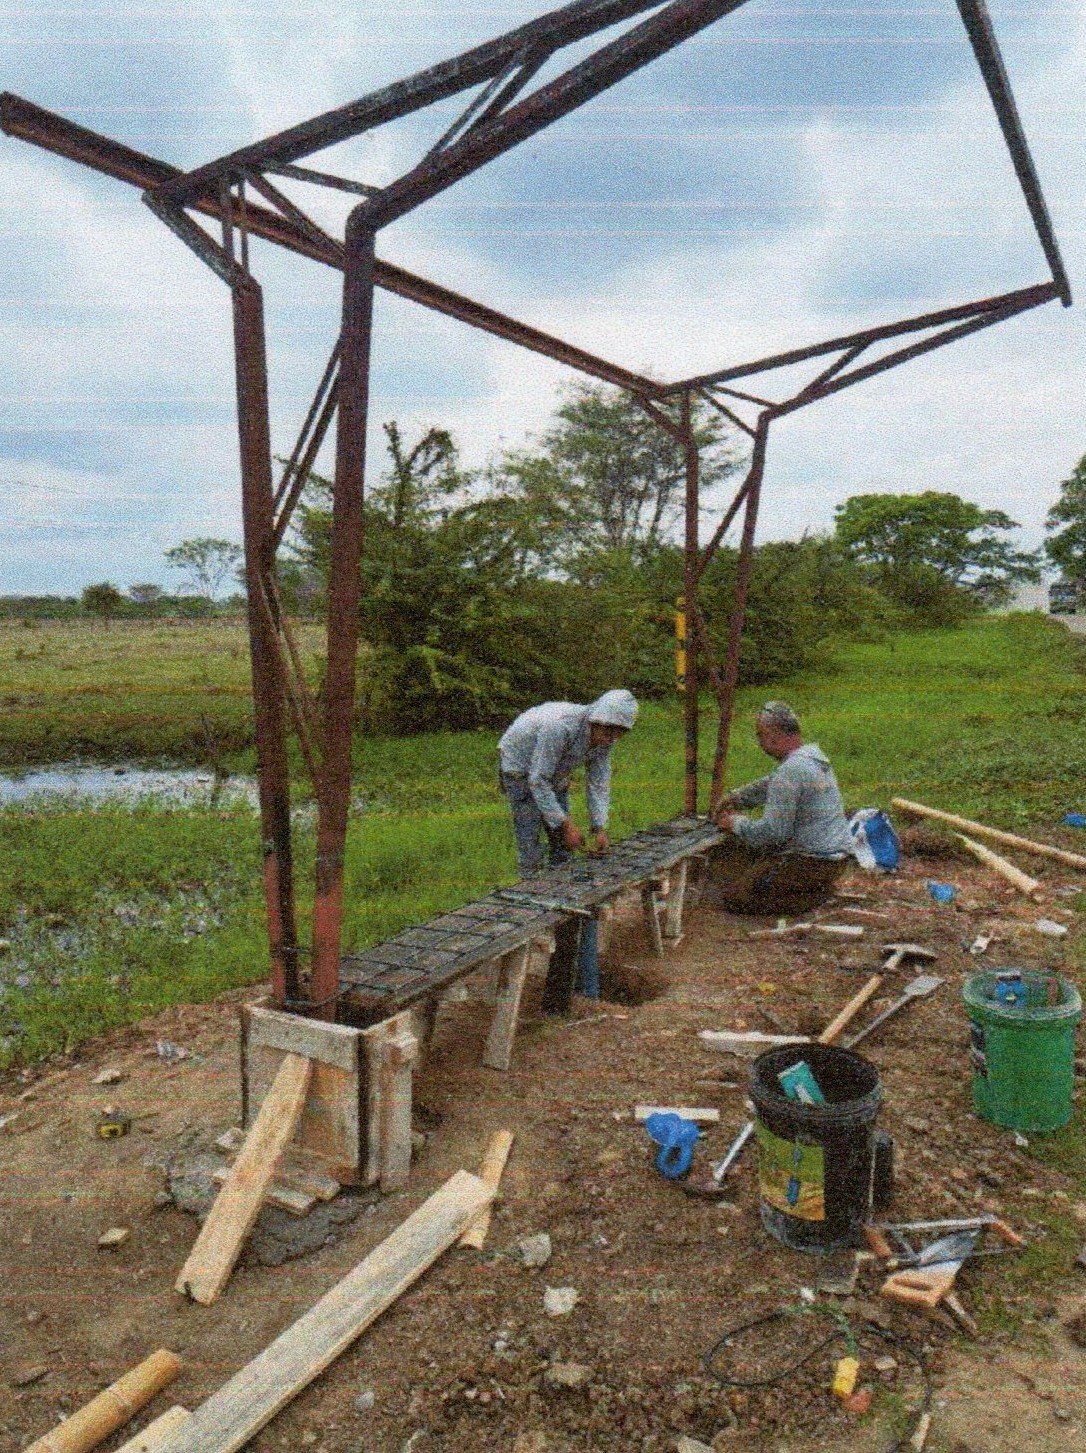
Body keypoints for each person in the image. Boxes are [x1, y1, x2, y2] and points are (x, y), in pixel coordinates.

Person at [708, 700, 854, 914]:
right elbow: (771, 783)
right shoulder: (812, 758)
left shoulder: (790, 771)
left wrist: (735, 823)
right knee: (752, 867)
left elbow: (774, 833)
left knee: (737, 897)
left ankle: (815, 897)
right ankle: (812, 889)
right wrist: (736, 797)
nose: (759, 742)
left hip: (813, 862)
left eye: (760, 735)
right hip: (837, 860)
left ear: (774, 735)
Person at [498, 689, 638, 876]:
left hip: (555, 769)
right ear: (595, 721)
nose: (610, 740)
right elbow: (538, 780)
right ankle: (530, 883)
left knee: (563, 846)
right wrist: (566, 825)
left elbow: (598, 783)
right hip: (519, 766)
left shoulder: (607, 739)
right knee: (530, 844)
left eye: (617, 735)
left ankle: (560, 886)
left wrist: (599, 827)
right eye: (607, 733)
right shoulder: (560, 726)